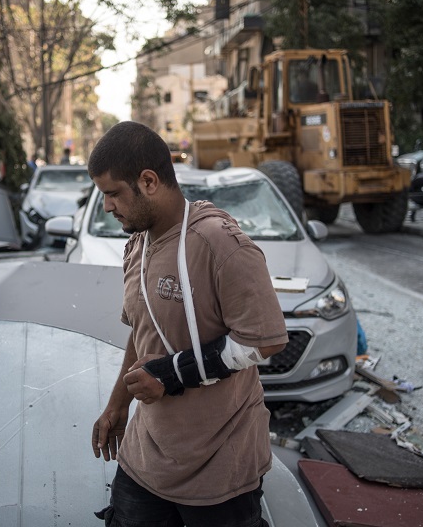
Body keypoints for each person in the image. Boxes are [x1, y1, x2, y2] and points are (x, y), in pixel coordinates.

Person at [89, 121, 288, 527]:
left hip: (220, 470)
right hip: (145, 461)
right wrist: (117, 405)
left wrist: (170, 374)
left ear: (148, 181)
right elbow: (141, 332)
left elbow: (262, 342)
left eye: (112, 194)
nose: (108, 207)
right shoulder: (136, 246)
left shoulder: (220, 244)